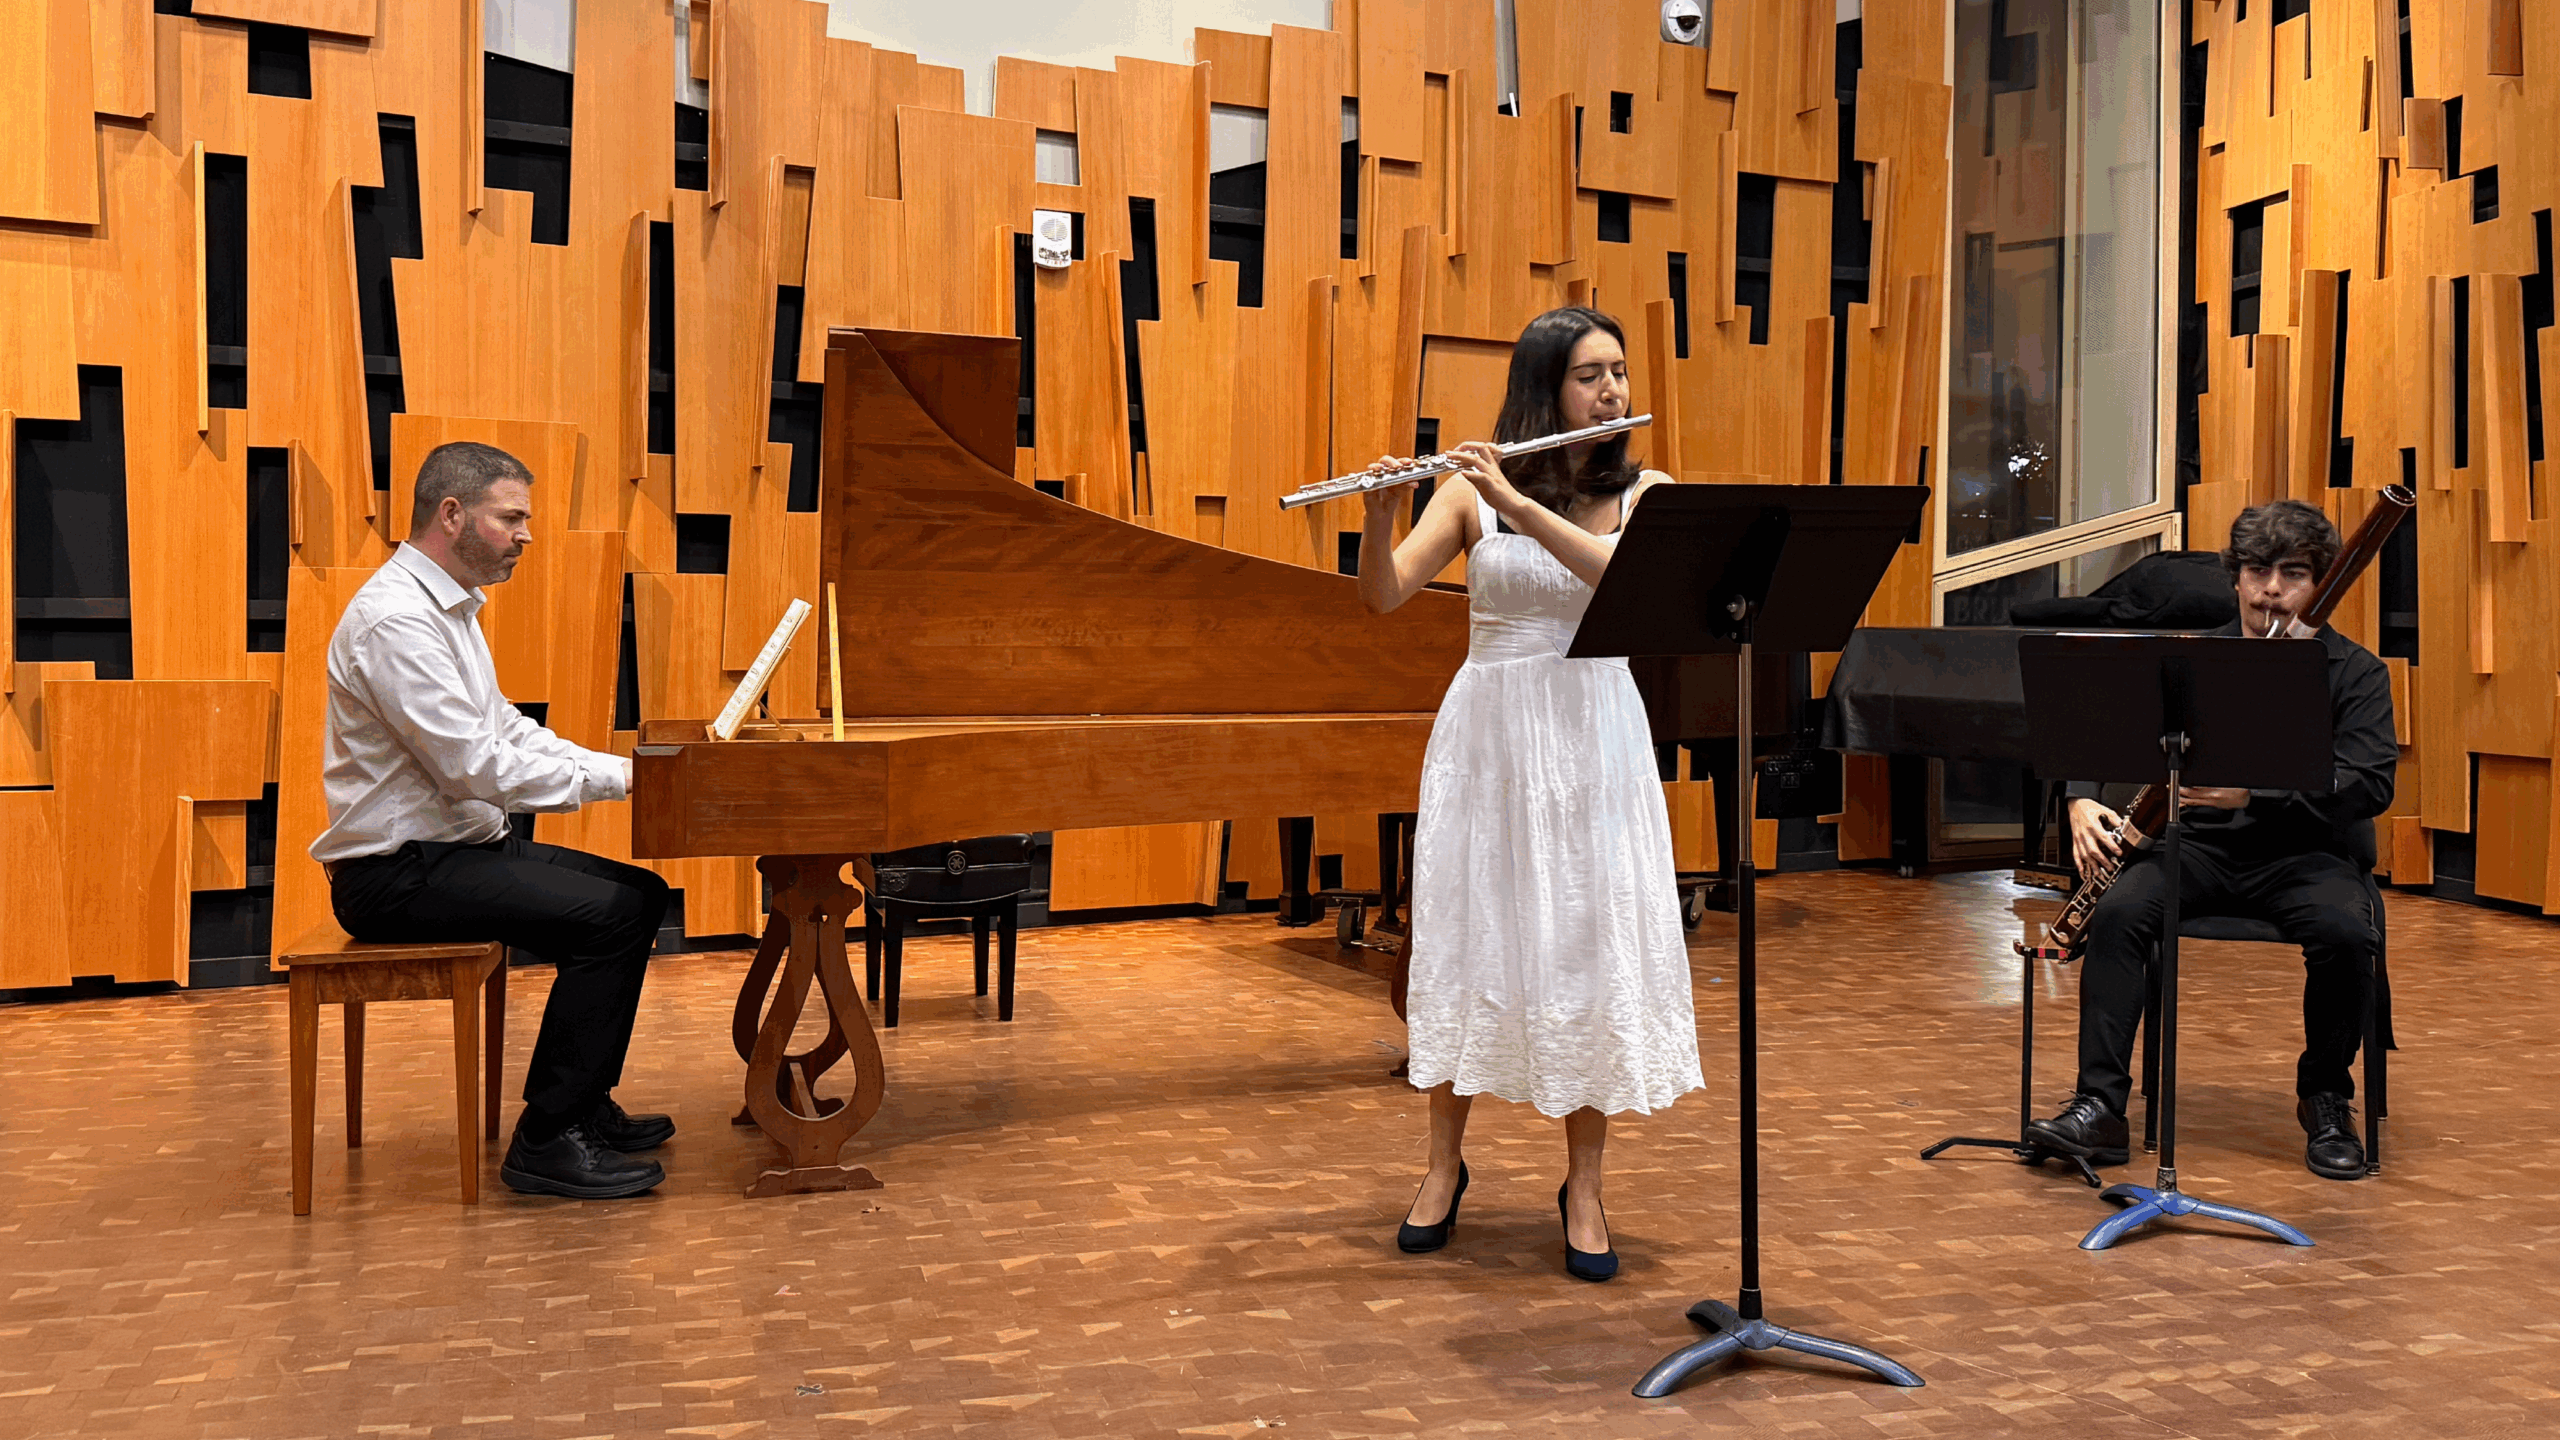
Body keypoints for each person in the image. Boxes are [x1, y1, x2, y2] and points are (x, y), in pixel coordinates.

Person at [1355, 306, 1704, 1281]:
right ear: (1544, 388)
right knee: (1469, 941)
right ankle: (1441, 1169)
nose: (1612, 391)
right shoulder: (1469, 494)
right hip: (1490, 741)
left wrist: (1512, 496)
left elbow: (1616, 576)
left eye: (1619, 372)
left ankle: (1584, 1187)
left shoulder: (1645, 495)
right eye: (1591, 375)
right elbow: (1383, 594)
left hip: (1594, 737)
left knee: (1587, 952)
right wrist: (1381, 514)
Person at [313, 441, 676, 1201]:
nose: (526, 535)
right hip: (394, 875)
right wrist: (624, 780)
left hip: (450, 853)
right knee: (609, 915)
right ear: (452, 515)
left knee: (640, 896)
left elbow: (506, 729)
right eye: (511, 518)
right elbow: (475, 767)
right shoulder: (396, 621)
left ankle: (582, 1102)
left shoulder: (449, 608)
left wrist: (631, 767)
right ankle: (547, 1140)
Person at [2026, 498, 2396, 1181]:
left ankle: (2325, 1096)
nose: (2271, 590)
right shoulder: (2191, 657)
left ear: (2320, 583)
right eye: (2257, 571)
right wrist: (2077, 796)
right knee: (2119, 912)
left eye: (2293, 574)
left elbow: (2370, 785)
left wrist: (2255, 792)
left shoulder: (2356, 672)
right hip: (2198, 850)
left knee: (2347, 932)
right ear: (2235, 578)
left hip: (2307, 854)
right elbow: (2104, 722)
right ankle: (2100, 1108)